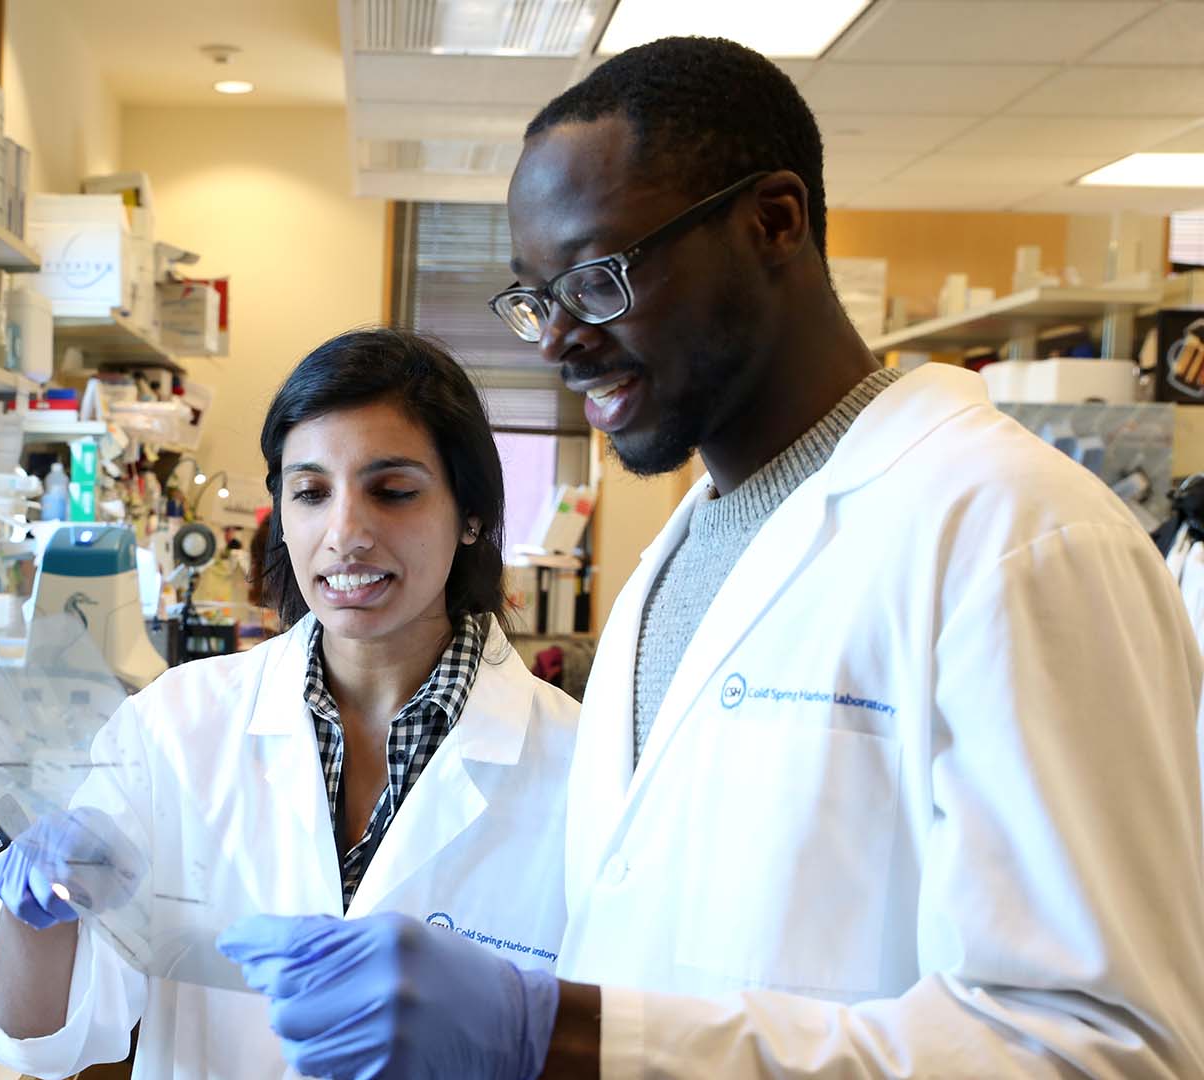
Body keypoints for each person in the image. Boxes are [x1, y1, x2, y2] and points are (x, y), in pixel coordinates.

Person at [220, 36, 1204, 1078]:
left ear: (772, 223)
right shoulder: (673, 568)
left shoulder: (1019, 534)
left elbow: (1106, 1049)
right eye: (535, 297)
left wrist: (562, 1037)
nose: (555, 340)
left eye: (596, 278)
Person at [0, 328, 581, 1078]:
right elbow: (39, 1038)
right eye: (311, 493)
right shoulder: (176, 726)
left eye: (393, 490)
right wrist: (34, 915)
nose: (345, 534)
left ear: (472, 514)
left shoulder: (580, 763)